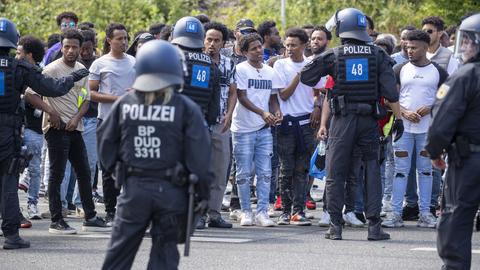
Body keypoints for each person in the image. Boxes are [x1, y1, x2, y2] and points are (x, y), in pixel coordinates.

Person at [99, 39, 211, 270]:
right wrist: (203, 195)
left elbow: (105, 142)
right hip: (172, 191)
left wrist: (114, 173)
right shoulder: (186, 107)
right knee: (164, 255)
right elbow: (199, 159)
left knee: (119, 253)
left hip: (133, 189)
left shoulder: (125, 104)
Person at [300, 8, 404, 241]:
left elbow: (306, 76)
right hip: (369, 122)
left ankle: (335, 227)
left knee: (336, 173)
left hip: (342, 121)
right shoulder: (378, 55)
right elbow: (390, 93)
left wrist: (324, 54)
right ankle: (374, 227)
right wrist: (397, 119)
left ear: (340, 29)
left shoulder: (335, 55)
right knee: (372, 172)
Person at [0, 18, 89, 249]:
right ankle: (11, 235)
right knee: (8, 181)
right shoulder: (19, 67)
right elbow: (52, 88)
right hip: (7, 133)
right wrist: (73, 77)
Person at [26, 29, 109, 234]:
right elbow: (30, 95)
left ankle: (89, 216)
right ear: (61, 47)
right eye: (67, 47)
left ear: (81, 49)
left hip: (75, 128)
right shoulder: (51, 69)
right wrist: (51, 111)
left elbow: (86, 99)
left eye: (74, 47)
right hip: (55, 129)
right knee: (57, 175)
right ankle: (56, 220)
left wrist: (76, 118)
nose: (70, 50)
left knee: (84, 172)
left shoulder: (81, 69)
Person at [425, 13, 480, 270]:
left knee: (457, 219)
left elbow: (442, 118)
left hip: (470, 160)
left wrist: (435, 151)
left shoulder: (466, 75)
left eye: (469, 41)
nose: (465, 46)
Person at [381, 30, 448, 229]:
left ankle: (426, 213)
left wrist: (431, 107)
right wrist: (403, 111)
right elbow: (388, 99)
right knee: (400, 171)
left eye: (414, 47)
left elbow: (447, 98)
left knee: (426, 171)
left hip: (428, 130)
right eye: (407, 47)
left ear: (426, 48)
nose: (409, 51)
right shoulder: (399, 69)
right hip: (403, 129)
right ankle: (395, 214)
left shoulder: (438, 71)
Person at [231, 33, 281, 227]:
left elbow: (273, 97)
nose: (259, 51)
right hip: (243, 129)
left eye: (260, 46)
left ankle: (262, 212)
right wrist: (263, 113)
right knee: (243, 173)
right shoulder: (240, 70)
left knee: (265, 172)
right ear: (244, 52)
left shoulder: (270, 71)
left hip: (264, 129)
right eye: (253, 48)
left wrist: (276, 112)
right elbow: (242, 97)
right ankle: (246, 212)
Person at [89, 23, 136, 226]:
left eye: (126, 38)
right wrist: (116, 98)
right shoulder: (99, 64)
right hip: (107, 121)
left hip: (131, 121)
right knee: (108, 169)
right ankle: (110, 211)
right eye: (119, 38)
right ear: (109, 40)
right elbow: (90, 93)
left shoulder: (134, 62)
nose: (124, 42)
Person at [200, 21, 236, 229]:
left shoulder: (228, 63)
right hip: (200, 123)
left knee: (220, 170)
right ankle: (198, 213)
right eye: (209, 39)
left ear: (224, 43)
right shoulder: (197, 62)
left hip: (221, 123)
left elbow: (232, 91)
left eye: (217, 40)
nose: (212, 44)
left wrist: (229, 114)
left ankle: (214, 214)